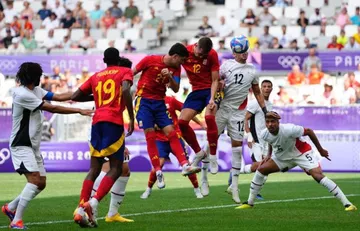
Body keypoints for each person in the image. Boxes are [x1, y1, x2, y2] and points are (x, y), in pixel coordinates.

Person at [1, 62, 93, 229]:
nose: (41, 78)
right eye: (39, 76)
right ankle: (16, 221)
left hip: (32, 145)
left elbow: (58, 97)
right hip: (21, 144)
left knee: (41, 182)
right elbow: (54, 108)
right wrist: (79, 110)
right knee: (35, 180)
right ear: (34, 77)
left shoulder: (34, 90)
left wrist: (90, 95)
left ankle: (10, 208)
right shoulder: (23, 94)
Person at [237, 112, 357, 211]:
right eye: (268, 122)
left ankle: (348, 204)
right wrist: (269, 154)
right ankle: (250, 202)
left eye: (273, 121)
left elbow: (309, 131)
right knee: (261, 169)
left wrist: (320, 150)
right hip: (282, 157)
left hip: (301, 153)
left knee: (317, 175)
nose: (270, 124)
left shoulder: (289, 129)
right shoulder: (265, 133)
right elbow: (270, 141)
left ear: (278, 122)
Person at [72, 47, 135, 228]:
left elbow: (76, 96)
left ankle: (80, 209)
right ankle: (92, 203)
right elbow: (125, 90)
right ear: (118, 59)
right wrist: (130, 117)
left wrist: (100, 97)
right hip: (113, 121)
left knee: (94, 168)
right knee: (116, 168)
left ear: (104, 60)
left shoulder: (96, 75)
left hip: (96, 121)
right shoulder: (125, 71)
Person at [201, 36, 267, 203]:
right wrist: (219, 86)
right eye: (241, 53)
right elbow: (214, 80)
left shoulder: (252, 70)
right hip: (222, 109)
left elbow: (257, 92)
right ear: (234, 53)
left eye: (246, 52)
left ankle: (235, 187)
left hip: (238, 113)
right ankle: (203, 177)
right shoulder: (226, 66)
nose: (245, 55)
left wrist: (265, 110)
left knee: (237, 148)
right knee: (210, 143)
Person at [133, 43, 200, 189]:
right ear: (175, 56)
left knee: (172, 133)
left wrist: (169, 76)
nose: (182, 63)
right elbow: (132, 73)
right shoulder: (150, 60)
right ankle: (157, 170)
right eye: (181, 60)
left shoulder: (176, 68)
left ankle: (184, 165)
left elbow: (175, 89)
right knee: (150, 135)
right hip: (143, 101)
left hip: (159, 102)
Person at [140, 96, 204, 200]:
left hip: (175, 137)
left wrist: (201, 123)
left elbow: (187, 110)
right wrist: (155, 125)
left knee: (187, 166)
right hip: (160, 140)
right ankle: (148, 189)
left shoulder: (171, 100)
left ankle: (197, 189)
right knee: (158, 165)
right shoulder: (148, 103)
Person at [178, 37, 220, 176]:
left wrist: (212, 99)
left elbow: (215, 79)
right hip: (196, 91)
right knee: (182, 122)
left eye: (204, 56)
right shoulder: (185, 52)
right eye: (200, 54)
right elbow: (173, 63)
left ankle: (213, 157)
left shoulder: (212, 54)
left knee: (209, 117)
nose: (202, 57)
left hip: (210, 90)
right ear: (196, 47)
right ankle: (199, 152)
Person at [228, 80, 273, 199]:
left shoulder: (270, 105)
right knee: (260, 166)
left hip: (266, 141)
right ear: (261, 89)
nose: (266, 88)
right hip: (255, 140)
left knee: (266, 168)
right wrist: (249, 135)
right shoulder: (255, 103)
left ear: (272, 89)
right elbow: (245, 118)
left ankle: (236, 172)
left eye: (269, 86)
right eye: (264, 86)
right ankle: (254, 191)